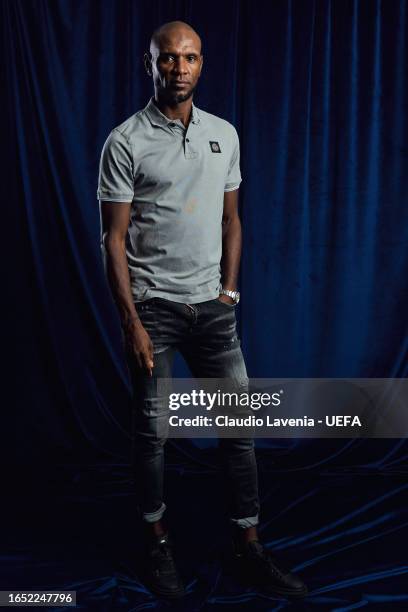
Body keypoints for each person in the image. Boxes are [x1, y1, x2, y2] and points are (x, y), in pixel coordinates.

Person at [97, 20, 307, 601]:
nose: (179, 68)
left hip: (212, 310)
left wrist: (230, 292)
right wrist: (131, 322)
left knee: (238, 430)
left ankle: (248, 546)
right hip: (153, 311)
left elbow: (230, 218)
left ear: (202, 64)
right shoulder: (125, 141)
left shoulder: (225, 134)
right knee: (153, 435)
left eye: (189, 58)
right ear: (151, 64)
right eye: (168, 59)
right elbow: (112, 241)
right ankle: (157, 540)